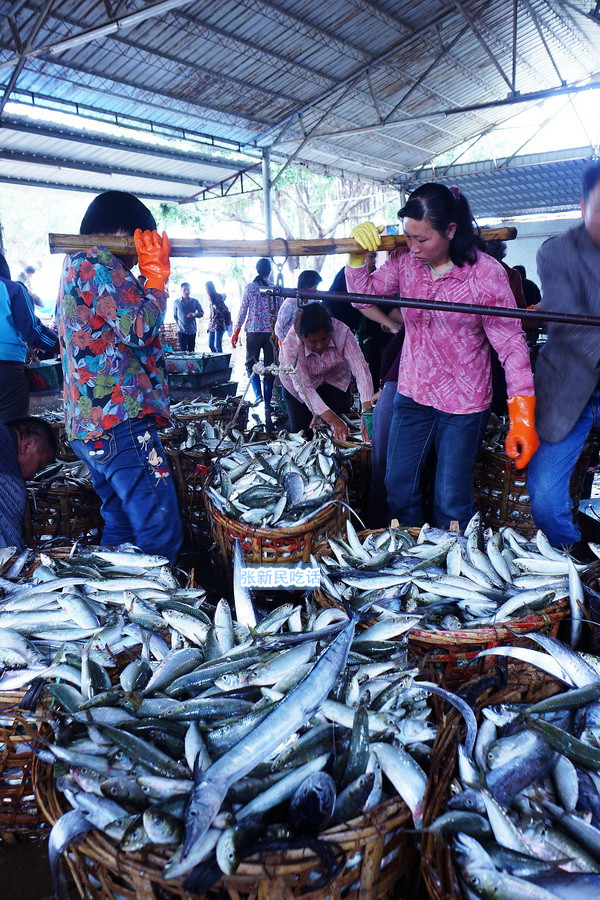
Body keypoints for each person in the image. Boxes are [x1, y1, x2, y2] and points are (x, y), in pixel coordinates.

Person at [346, 183, 538, 530]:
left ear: (451, 230)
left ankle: (451, 567)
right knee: (399, 488)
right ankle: (409, 561)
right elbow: (363, 299)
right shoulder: (405, 261)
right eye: (408, 237)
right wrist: (357, 258)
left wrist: (522, 414)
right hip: (413, 392)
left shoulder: (486, 274)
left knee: (451, 498)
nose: (413, 248)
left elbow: (511, 345)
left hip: (464, 405)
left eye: (423, 239)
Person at [55, 189, 183, 562]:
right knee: (158, 525)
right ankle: (160, 610)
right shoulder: (97, 260)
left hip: (92, 427)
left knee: (122, 524)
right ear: (125, 232)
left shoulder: (74, 266)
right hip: (118, 420)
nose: (139, 253)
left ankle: (118, 605)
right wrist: (155, 278)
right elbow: (138, 326)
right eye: (140, 240)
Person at [527, 162, 600, 552]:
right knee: (544, 499)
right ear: (582, 207)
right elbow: (571, 325)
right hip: (569, 392)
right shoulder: (556, 252)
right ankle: (581, 564)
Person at [279, 302, 373, 441]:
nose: (320, 345)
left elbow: (361, 369)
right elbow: (304, 387)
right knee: (302, 433)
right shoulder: (291, 344)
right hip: (300, 388)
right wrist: (333, 421)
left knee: (343, 430)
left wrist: (367, 412)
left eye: (324, 339)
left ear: (331, 330)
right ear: (301, 337)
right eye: (313, 342)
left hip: (335, 380)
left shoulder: (342, 332)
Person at [0, 253, 59, 423]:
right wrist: (63, 347)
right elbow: (34, 333)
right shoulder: (12, 289)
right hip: (6, 369)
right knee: (13, 430)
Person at [0, 416, 57, 550]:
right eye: (39, 467)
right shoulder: (11, 483)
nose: (32, 477)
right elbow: (8, 553)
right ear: (27, 446)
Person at [231, 258, 281, 409]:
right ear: (270, 271)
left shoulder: (250, 288)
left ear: (257, 270)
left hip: (253, 331)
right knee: (270, 366)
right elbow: (280, 311)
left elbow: (243, 310)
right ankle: (266, 403)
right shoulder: (276, 289)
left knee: (251, 364)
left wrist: (236, 330)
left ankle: (258, 394)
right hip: (271, 333)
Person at [274, 270, 322, 342]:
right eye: (315, 287)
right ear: (307, 286)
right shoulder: (290, 302)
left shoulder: (315, 302)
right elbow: (279, 327)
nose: (316, 290)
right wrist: (284, 344)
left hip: (308, 342)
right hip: (290, 341)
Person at [173, 282, 203, 352]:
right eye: (184, 289)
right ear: (181, 290)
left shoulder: (195, 302)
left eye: (188, 289)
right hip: (182, 331)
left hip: (192, 330)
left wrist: (194, 314)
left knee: (191, 351)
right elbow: (175, 316)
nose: (186, 291)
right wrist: (179, 327)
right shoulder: (176, 302)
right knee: (183, 351)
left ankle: (191, 363)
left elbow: (201, 313)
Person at [206, 281, 231, 353]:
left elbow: (223, 310)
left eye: (207, 288)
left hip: (219, 323)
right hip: (212, 324)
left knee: (218, 345)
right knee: (210, 345)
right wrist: (209, 325)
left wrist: (216, 307)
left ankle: (220, 360)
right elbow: (211, 314)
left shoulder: (218, 297)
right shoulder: (209, 299)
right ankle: (215, 357)